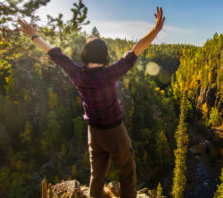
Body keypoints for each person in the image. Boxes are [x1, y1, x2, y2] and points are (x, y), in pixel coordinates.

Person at [18, 7, 165, 198]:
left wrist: (34, 35)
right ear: (104, 56)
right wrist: (155, 30)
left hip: (93, 132)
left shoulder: (78, 74)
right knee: (127, 171)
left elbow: (53, 52)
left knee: (97, 174)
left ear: (85, 55)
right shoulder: (111, 72)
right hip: (115, 132)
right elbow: (137, 48)